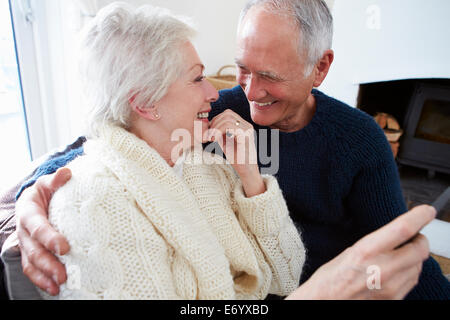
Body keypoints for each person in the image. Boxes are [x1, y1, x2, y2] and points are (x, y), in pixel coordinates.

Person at [10, 0, 449, 299]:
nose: (248, 91)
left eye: (269, 75)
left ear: (320, 67)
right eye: (241, 68)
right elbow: (111, 140)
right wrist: (35, 191)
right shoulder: (218, 112)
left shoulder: (360, 140)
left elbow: (402, 249)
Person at [12, 2, 308, 300]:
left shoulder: (206, 167)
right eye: (197, 78)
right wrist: (28, 192)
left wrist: (251, 177)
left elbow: (287, 277)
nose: (214, 93)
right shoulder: (92, 202)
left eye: (272, 75)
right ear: (145, 102)